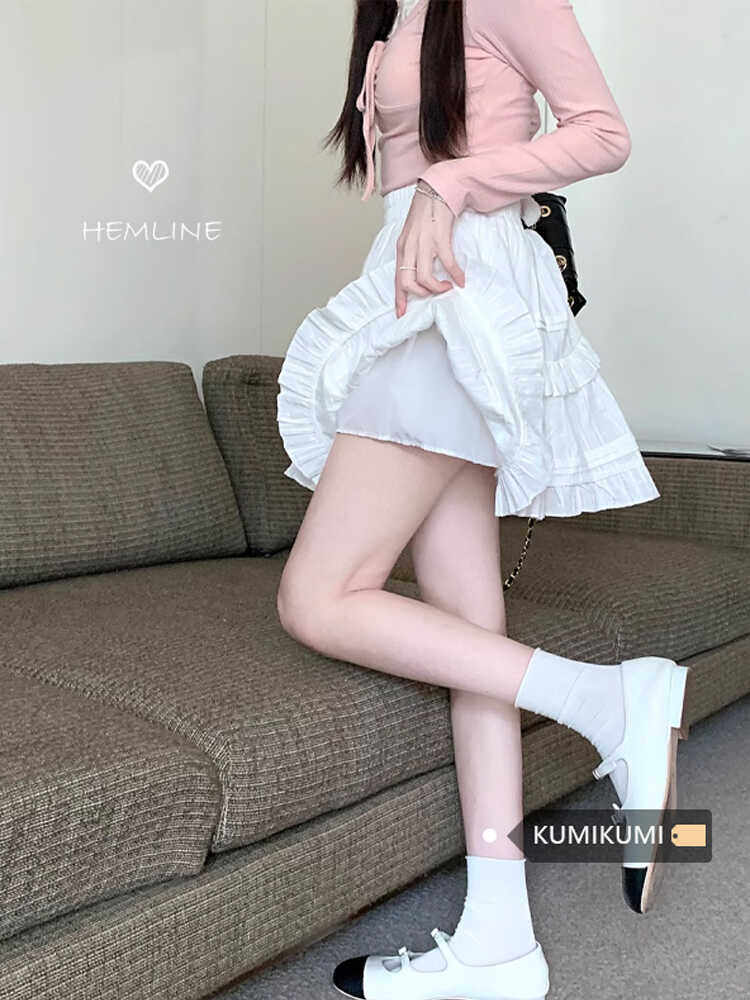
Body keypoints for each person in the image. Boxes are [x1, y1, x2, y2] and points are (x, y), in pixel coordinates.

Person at [275, 2, 690, 998]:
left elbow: (602, 131)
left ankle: (613, 701)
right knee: (471, 632)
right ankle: (500, 941)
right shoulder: (395, 11)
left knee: (318, 598)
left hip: (460, 291)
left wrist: (452, 181)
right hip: (426, 283)